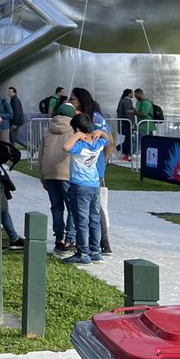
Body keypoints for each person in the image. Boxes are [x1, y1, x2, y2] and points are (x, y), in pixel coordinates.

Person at [61, 112, 108, 265]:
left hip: (79, 186)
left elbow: (66, 147)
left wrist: (77, 136)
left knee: (81, 221)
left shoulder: (80, 145)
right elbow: (107, 140)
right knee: (94, 219)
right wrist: (101, 132)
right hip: (94, 185)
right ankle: (95, 251)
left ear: (77, 129)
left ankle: (83, 253)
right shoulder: (97, 142)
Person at [39, 102, 76, 253]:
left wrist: (42, 175)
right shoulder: (74, 131)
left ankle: (58, 238)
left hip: (49, 172)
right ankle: (70, 239)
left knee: (56, 207)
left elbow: (40, 154)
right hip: (67, 173)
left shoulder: (47, 131)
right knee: (72, 207)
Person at [115, 88, 136, 161]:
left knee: (128, 138)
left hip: (124, 123)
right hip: (126, 123)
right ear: (129, 93)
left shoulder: (122, 101)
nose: (133, 95)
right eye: (132, 93)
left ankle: (125, 153)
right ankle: (120, 148)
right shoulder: (127, 101)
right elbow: (128, 112)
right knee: (130, 138)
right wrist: (132, 122)